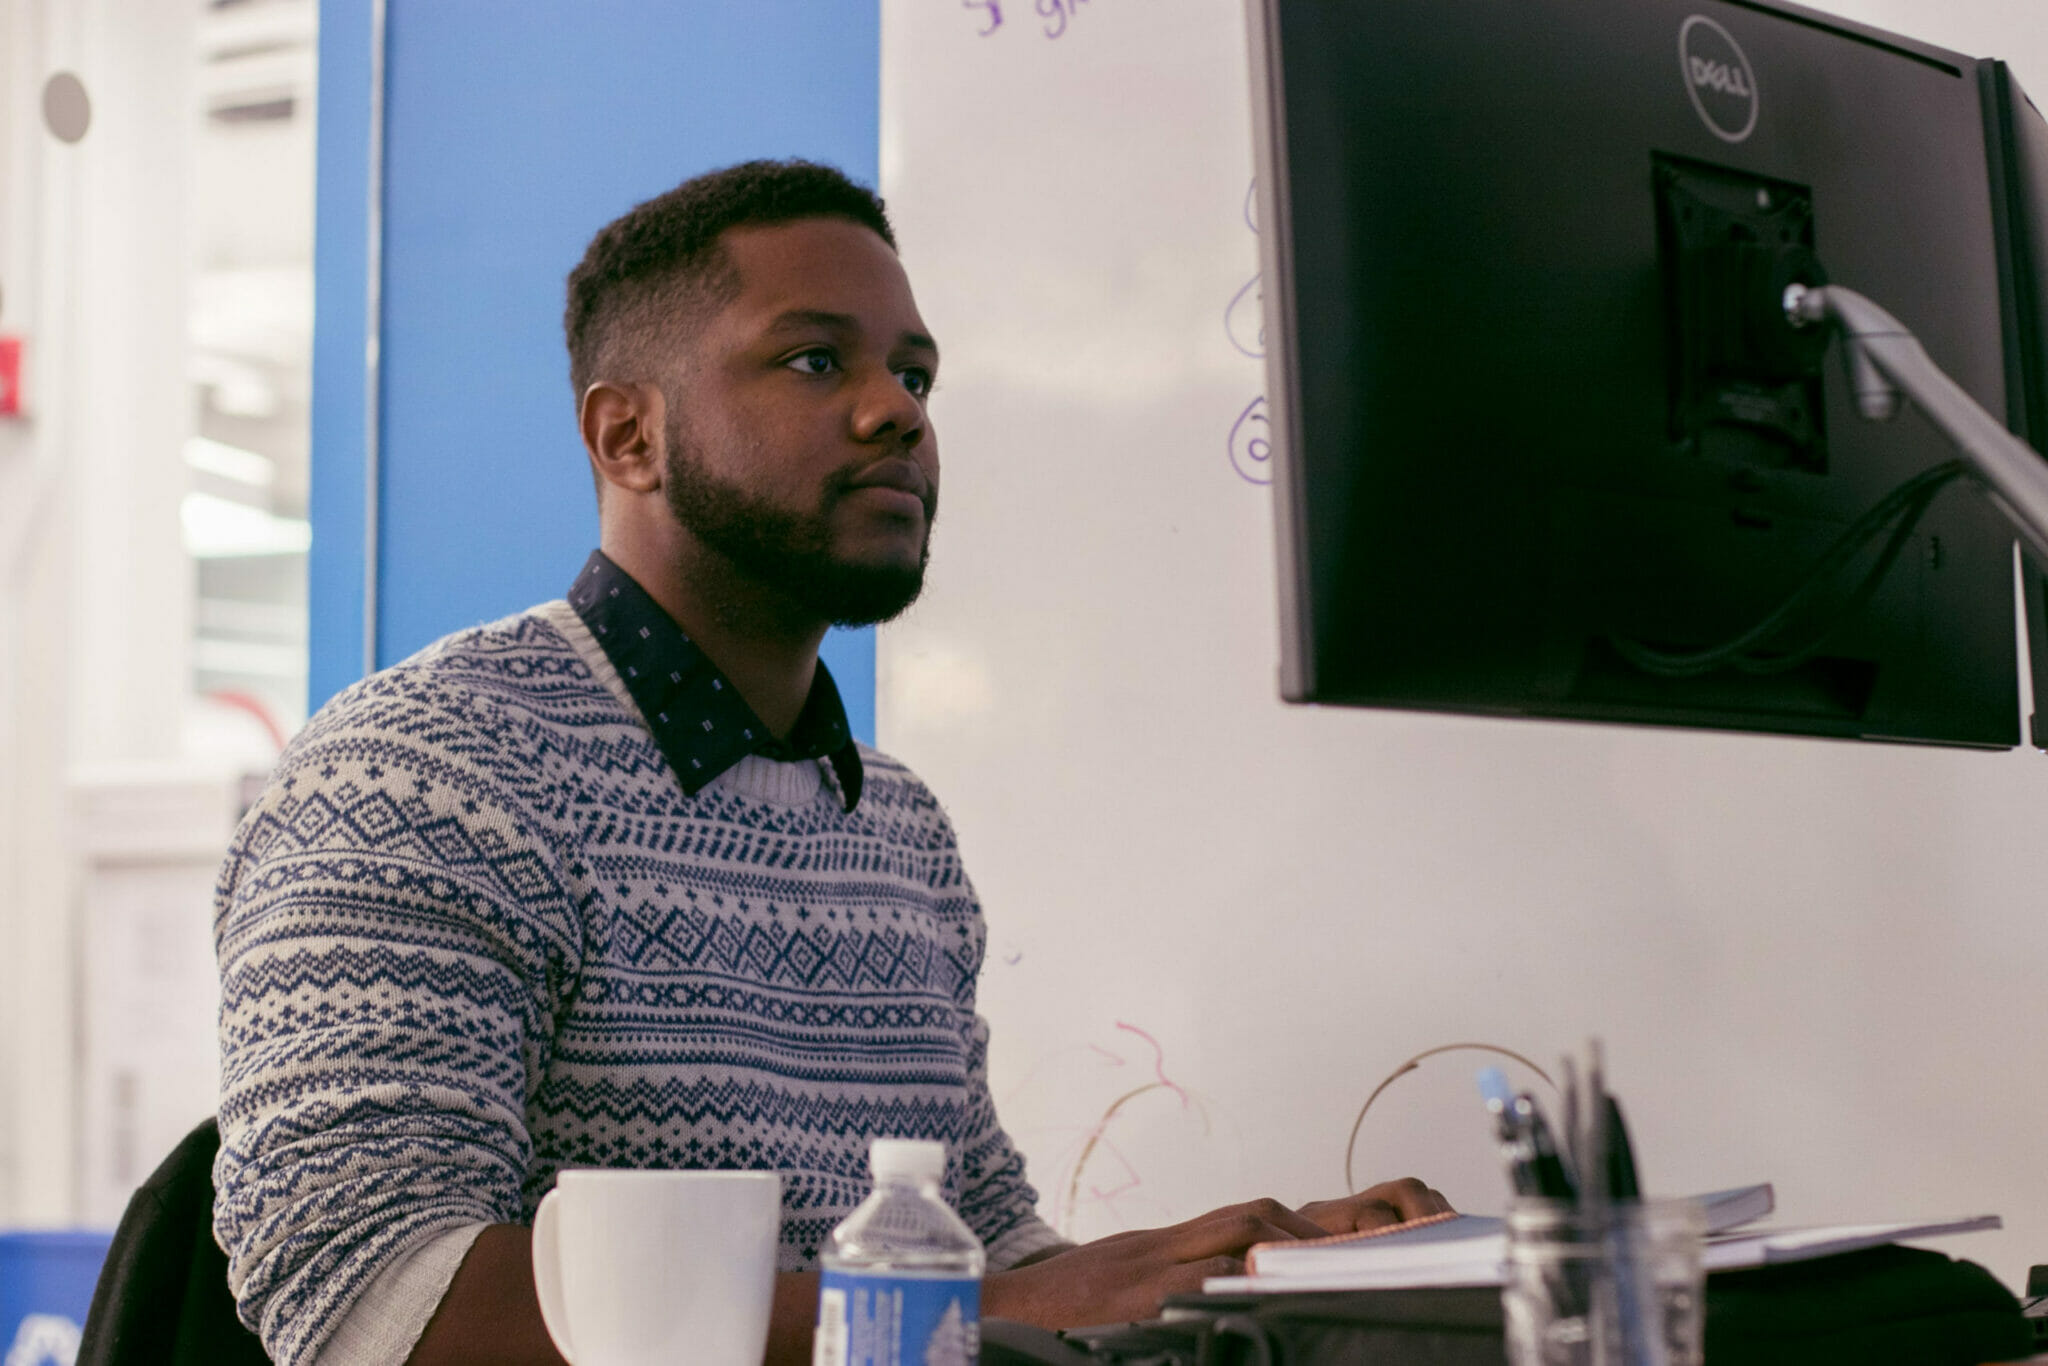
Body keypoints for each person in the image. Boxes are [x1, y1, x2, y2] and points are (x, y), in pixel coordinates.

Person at [212, 159, 1448, 1366]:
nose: (897, 409)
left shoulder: (896, 826)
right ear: (627, 434)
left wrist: (1274, 1276)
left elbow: (985, 1246)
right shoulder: (422, 772)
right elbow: (370, 1293)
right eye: (815, 360)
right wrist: (994, 1300)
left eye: (914, 372)